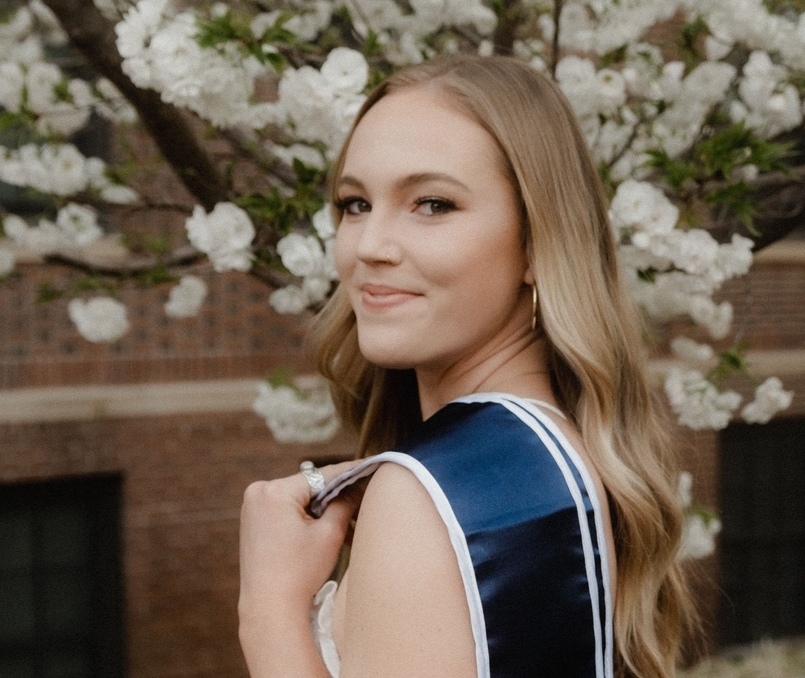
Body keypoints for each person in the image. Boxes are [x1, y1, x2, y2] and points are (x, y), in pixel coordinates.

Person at [239, 54, 695, 678]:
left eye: (432, 204)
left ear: (537, 242)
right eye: (354, 204)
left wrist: (268, 610)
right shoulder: (572, 451)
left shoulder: (427, 494)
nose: (370, 247)